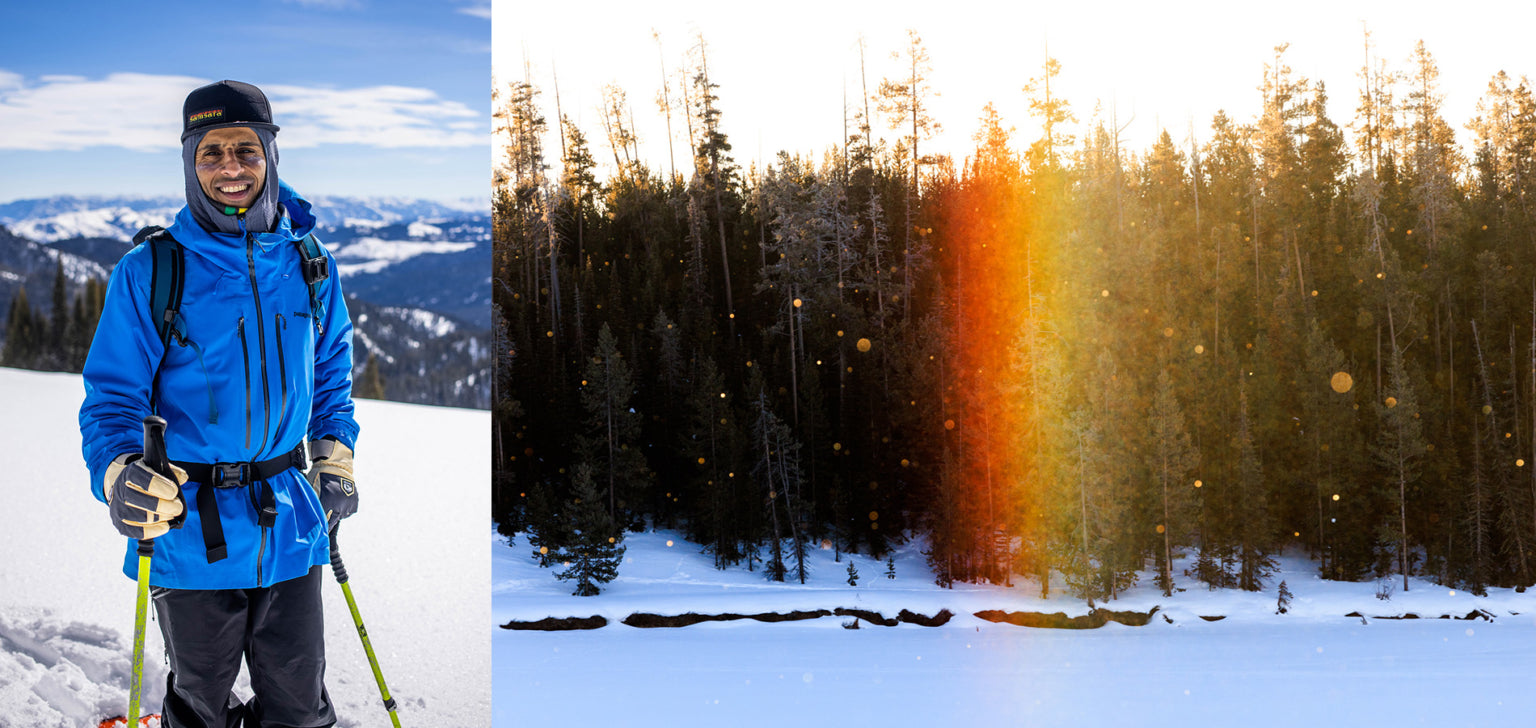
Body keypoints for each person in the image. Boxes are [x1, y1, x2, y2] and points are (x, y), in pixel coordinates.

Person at [80, 79, 360, 728]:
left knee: (301, 706)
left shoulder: (311, 263)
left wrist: (334, 457)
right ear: (189, 162)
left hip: (290, 522)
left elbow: (330, 379)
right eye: (211, 153)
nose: (230, 168)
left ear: (270, 156)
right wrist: (121, 473)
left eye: (245, 149)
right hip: (188, 527)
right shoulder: (152, 270)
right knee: (200, 704)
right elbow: (112, 400)